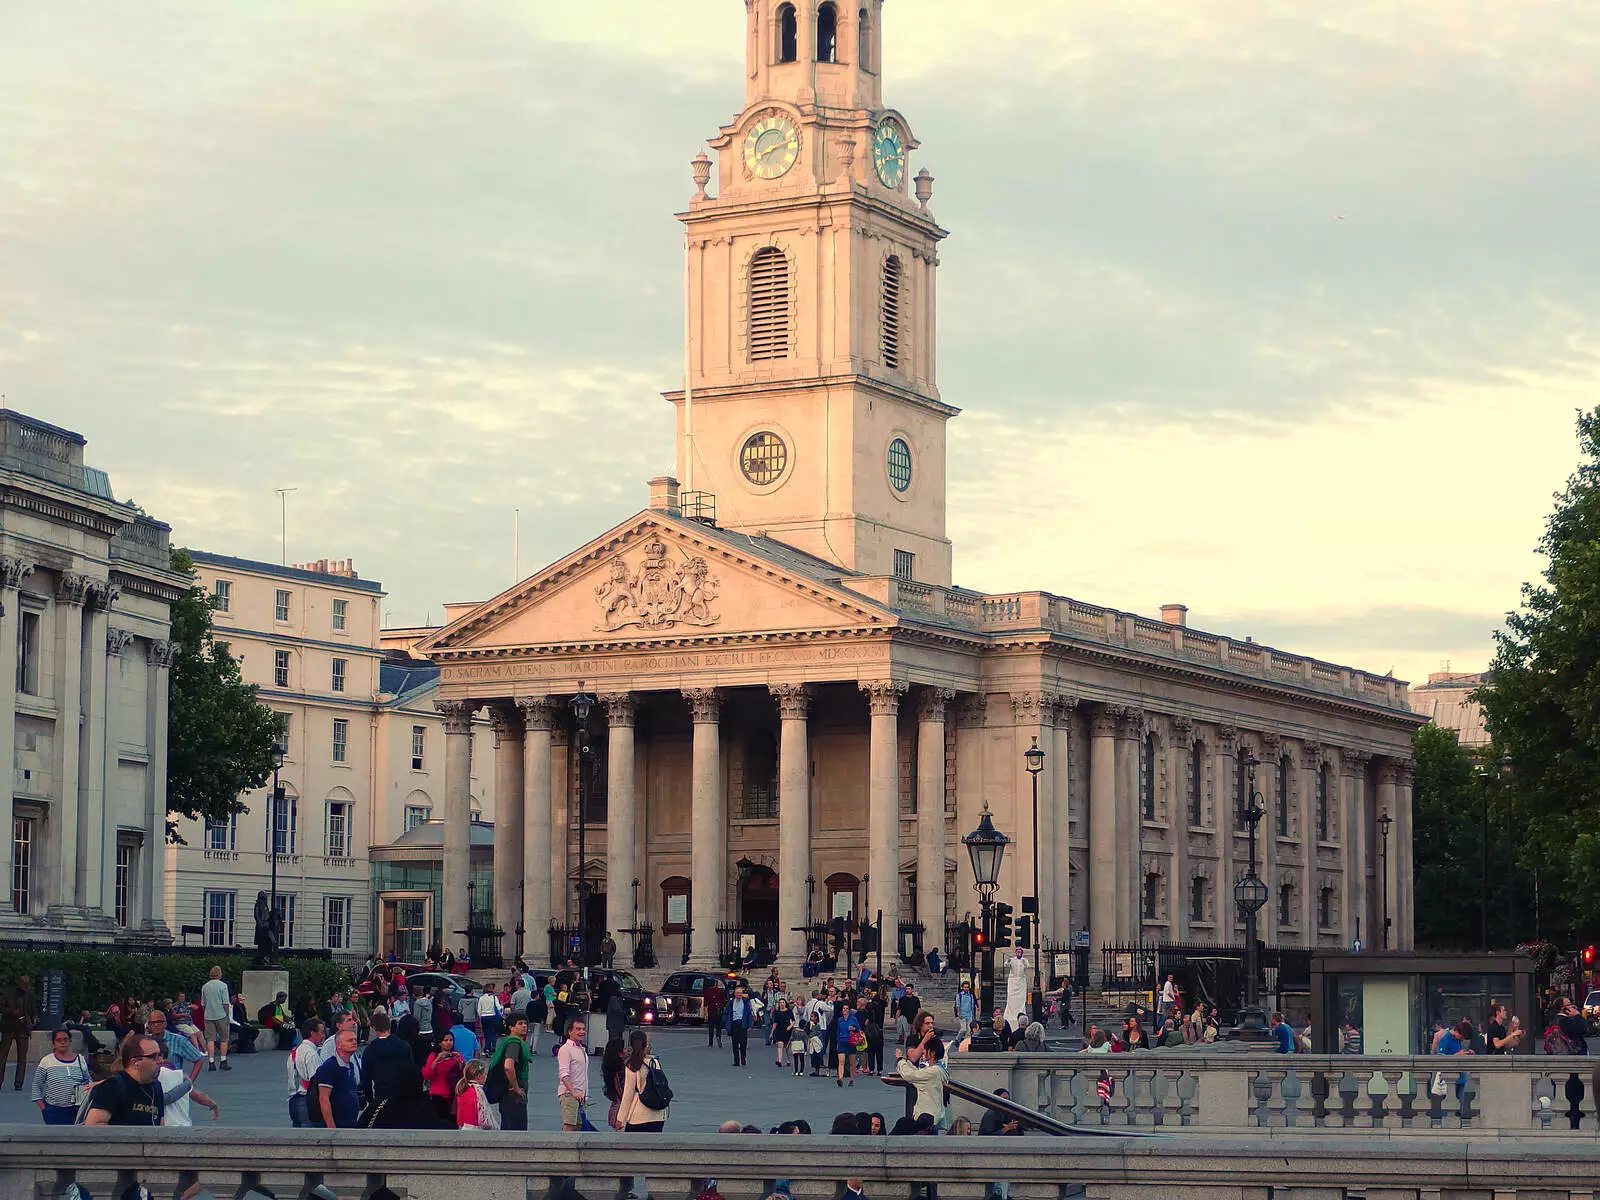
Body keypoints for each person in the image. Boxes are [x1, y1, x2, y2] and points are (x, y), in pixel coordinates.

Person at [85, 1035, 166, 1126]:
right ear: (135, 1063)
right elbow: (93, 1126)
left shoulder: (157, 1087)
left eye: (160, 1055)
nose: (161, 1061)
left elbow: (160, 1126)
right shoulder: (112, 1086)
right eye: (154, 1056)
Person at [32, 1029, 91, 1124]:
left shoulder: (80, 1059)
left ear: (70, 1042)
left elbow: (88, 1081)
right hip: (53, 1110)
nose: (63, 1042)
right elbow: (37, 1084)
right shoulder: (47, 1061)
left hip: (76, 1109)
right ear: (53, 1043)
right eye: (59, 1040)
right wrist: (42, 1106)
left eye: (65, 1039)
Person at [616, 1028, 668, 1131]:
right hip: (658, 1115)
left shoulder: (632, 1064)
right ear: (646, 1044)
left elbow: (628, 1094)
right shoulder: (654, 1062)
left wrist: (620, 1118)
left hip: (639, 1115)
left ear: (631, 1045)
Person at [489, 1014, 533, 1130]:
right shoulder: (514, 1042)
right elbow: (508, 1066)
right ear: (511, 1027)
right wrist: (516, 1088)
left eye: (525, 1023)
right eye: (520, 1024)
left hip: (507, 1094)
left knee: (508, 1128)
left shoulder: (508, 1041)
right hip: (513, 1095)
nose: (524, 1026)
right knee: (516, 1132)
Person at [313, 1027, 362, 1129]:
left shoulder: (350, 1066)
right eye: (349, 1040)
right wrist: (331, 1128)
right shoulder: (330, 1066)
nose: (354, 1042)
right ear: (339, 1045)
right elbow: (323, 1098)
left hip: (350, 1125)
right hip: (337, 1127)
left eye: (355, 1040)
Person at [145, 1009, 206, 1081]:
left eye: (159, 1022)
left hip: (173, 1084)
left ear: (165, 1023)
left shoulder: (178, 1040)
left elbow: (199, 1059)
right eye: (152, 1022)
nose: (156, 1025)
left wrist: (189, 1082)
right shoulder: (145, 1042)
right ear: (148, 1025)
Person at [0, 975, 38, 1091]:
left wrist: (33, 1020)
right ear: (19, 984)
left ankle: (18, 1083)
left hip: (23, 1028)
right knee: (2, 1056)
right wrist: (11, 1012)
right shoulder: (8, 992)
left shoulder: (29, 994)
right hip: (9, 1027)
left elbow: (34, 1009)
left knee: (22, 1058)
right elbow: (0, 1006)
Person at [287, 1018, 326, 1126]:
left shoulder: (295, 1051)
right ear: (312, 1033)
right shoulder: (311, 1054)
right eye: (321, 1032)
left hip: (294, 1100)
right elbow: (316, 1082)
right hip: (307, 1101)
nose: (323, 1035)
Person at [157, 1061, 219, 1126]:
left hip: (163, 1127)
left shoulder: (152, 1078)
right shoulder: (180, 1076)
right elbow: (199, 1097)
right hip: (183, 1126)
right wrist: (213, 1104)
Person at [422, 1030, 466, 1122]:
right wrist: (436, 1061)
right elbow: (426, 1075)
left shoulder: (457, 1055)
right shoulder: (433, 1056)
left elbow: (463, 1075)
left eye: (451, 1040)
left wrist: (460, 1062)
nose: (449, 1042)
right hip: (438, 1096)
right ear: (440, 1043)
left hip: (453, 1096)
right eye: (446, 1040)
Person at [557, 1017, 590, 1131]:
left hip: (580, 1096)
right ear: (570, 1031)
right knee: (569, 1126)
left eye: (583, 1029)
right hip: (569, 1094)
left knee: (578, 1127)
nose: (582, 1032)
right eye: (578, 1029)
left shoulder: (581, 1049)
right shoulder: (566, 1049)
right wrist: (573, 1092)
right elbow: (563, 1074)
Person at [199, 966, 232, 1072]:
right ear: (219, 974)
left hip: (208, 1015)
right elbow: (225, 1003)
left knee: (210, 1039)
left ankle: (211, 1062)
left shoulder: (205, 987)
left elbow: (203, 1004)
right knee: (224, 1039)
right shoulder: (223, 986)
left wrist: (207, 1011)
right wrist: (227, 1014)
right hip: (221, 1015)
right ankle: (223, 1061)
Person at [455, 1059, 499, 1130]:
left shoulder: (463, 1090)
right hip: (476, 1130)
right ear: (479, 1076)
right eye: (485, 1074)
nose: (486, 1076)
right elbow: (484, 1118)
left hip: (465, 1128)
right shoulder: (478, 1092)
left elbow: (460, 1119)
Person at [726, 984, 755, 1068]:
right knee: (734, 1043)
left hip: (743, 1024)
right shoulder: (731, 1003)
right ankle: (736, 1061)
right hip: (734, 1024)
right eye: (737, 993)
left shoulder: (745, 1002)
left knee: (743, 1042)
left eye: (740, 993)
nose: (739, 995)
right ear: (734, 994)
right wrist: (727, 1024)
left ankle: (743, 1057)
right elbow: (726, 1013)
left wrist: (750, 1025)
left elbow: (749, 1014)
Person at [476, 985, 504, 1051]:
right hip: (493, 1016)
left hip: (484, 1017)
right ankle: (493, 1046)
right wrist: (502, 1006)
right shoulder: (494, 998)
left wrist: (481, 1017)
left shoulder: (481, 998)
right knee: (493, 1032)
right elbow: (499, 1008)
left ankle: (487, 1048)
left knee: (486, 1033)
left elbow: (479, 1010)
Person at [771, 998, 794, 1068]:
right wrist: (771, 1033)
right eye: (780, 1002)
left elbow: (793, 1021)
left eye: (783, 1002)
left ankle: (788, 1060)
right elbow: (775, 1023)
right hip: (779, 1029)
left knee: (787, 1046)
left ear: (785, 1003)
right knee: (780, 1044)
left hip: (787, 1029)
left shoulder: (789, 1011)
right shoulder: (777, 1013)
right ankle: (779, 1060)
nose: (781, 1004)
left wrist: (790, 1026)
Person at [705, 978, 726, 1048]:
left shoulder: (707, 991)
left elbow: (705, 1003)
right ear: (715, 984)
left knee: (711, 1027)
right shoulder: (720, 991)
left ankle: (710, 1042)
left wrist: (706, 1013)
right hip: (718, 1010)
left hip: (711, 1010)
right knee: (718, 1026)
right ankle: (718, 1037)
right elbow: (723, 1001)